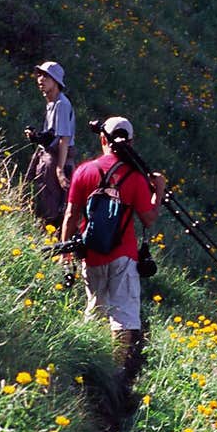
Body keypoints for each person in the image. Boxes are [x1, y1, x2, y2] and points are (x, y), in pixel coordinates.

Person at [61, 116, 166, 395]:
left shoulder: (85, 171)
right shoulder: (134, 178)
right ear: (130, 142)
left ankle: (87, 364)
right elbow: (149, 218)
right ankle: (116, 375)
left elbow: (71, 215)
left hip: (91, 254)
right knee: (125, 316)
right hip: (123, 256)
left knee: (95, 309)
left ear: (103, 140)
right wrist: (159, 191)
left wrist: (66, 255)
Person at [24, 61, 76, 226]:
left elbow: (64, 139)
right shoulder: (52, 102)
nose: (40, 79)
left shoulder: (61, 104)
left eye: (46, 76)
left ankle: (48, 234)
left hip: (55, 157)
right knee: (32, 190)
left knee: (49, 203)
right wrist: (37, 137)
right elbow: (52, 134)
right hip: (46, 153)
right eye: (39, 75)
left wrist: (59, 170)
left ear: (56, 81)